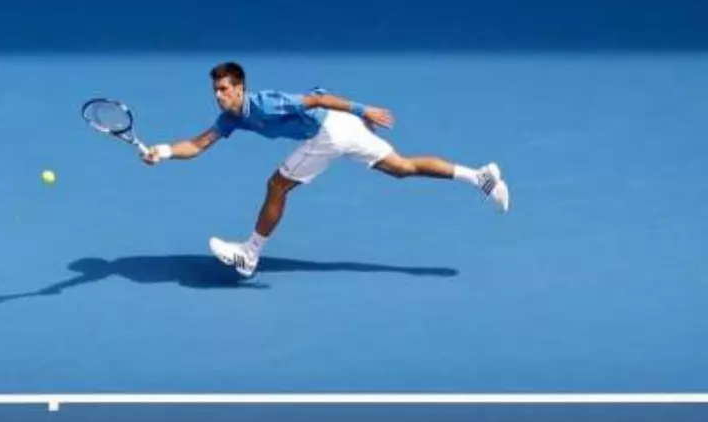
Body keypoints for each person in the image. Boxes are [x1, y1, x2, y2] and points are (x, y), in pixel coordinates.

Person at [141, 61, 508, 277]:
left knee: (277, 185)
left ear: (241, 88)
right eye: (216, 90)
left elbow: (315, 98)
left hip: (329, 131)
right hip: (340, 127)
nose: (219, 95)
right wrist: (164, 150)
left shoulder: (266, 103)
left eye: (224, 89)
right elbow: (200, 143)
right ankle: (480, 176)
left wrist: (363, 110)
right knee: (401, 166)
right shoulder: (230, 118)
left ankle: (250, 253)